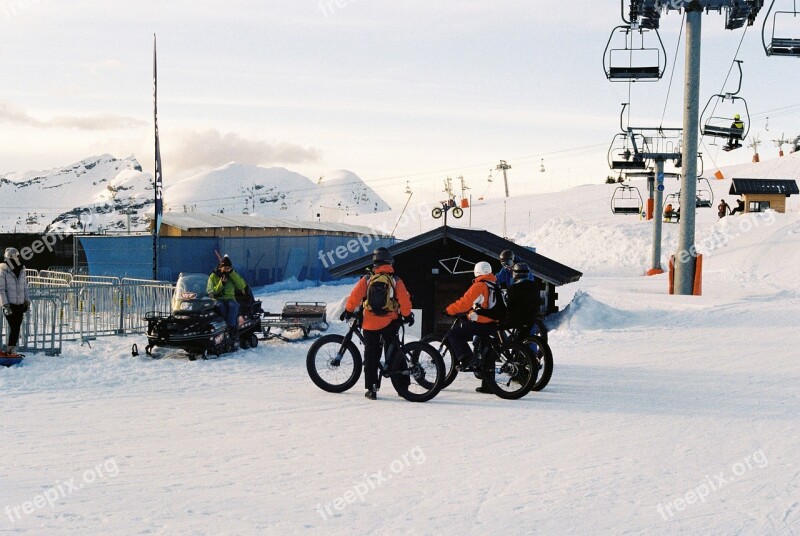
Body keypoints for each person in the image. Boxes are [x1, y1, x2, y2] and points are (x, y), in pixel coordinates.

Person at [341, 247, 413, 401]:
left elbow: (354, 296)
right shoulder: (395, 279)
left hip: (370, 323)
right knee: (395, 352)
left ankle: (371, 389)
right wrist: (407, 315)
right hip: (390, 322)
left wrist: (348, 311)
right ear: (389, 262)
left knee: (371, 356)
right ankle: (403, 387)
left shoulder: (367, 279)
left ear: (374, 263)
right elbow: (404, 299)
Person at [444, 261, 502, 392]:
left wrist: (449, 310)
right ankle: (488, 385)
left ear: (477, 272)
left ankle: (466, 359)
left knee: (454, 333)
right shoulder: (494, 284)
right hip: (493, 323)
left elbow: (465, 303)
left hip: (483, 323)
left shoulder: (479, 285)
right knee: (486, 349)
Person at [207, 255, 247, 344]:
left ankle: (232, 329)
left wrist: (232, 274)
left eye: (228, 268)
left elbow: (241, 285)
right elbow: (211, 291)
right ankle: (224, 328)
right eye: (225, 268)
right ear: (221, 267)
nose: (226, 270)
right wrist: (221, 284)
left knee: (233, 306)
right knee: (221, 306)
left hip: (230, 298)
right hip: (218, 299)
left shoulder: (232, 275)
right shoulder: (213, 276)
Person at [0, 248, 31, 356]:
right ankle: (10, 347)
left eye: (17, 256)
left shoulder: (22, 268)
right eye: (14, 256)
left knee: (16, 326)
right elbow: (1, 289)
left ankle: (11, 348)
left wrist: (27, 300)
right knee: (13, 326)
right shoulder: (3, 269)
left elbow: (24, 286)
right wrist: (5, 305)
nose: (17, 258)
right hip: (10, 303)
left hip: (20, 303)